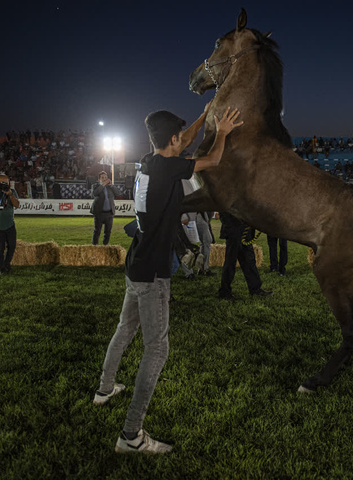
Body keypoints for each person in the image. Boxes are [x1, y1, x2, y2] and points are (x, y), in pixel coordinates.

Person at [94, 105, 243, 454]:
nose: (186, 142)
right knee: (157, 349)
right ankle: (131, 435)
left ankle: (104, 389)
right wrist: (220, 132)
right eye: (181, 139)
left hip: (136, 262)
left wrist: (204, 113)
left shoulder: (150, 161)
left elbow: (185, 139)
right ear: (172, 140)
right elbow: (213, 160)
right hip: (153, 272)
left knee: (124, 328)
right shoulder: (170, 168)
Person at [218, 211, 273, 301]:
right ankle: (224, 292)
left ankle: (255, 288)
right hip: (233, 232)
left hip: (244, 231)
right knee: (230, 262)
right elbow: (223, 212)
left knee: (249, 260)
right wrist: (231, 228)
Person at [90, 170, 119, 245]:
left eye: (105, 177)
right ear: (99, 179)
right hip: (99, 212)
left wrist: (112, 185)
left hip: (109, 213)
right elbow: (95, 194)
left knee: (108, 231)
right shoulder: (95, 186)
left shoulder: (110, 187)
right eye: (102, 177)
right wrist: (102, 185)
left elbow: (118, 193)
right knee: (97, 231)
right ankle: (94, 246)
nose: (104, 179)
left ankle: (105, 246)